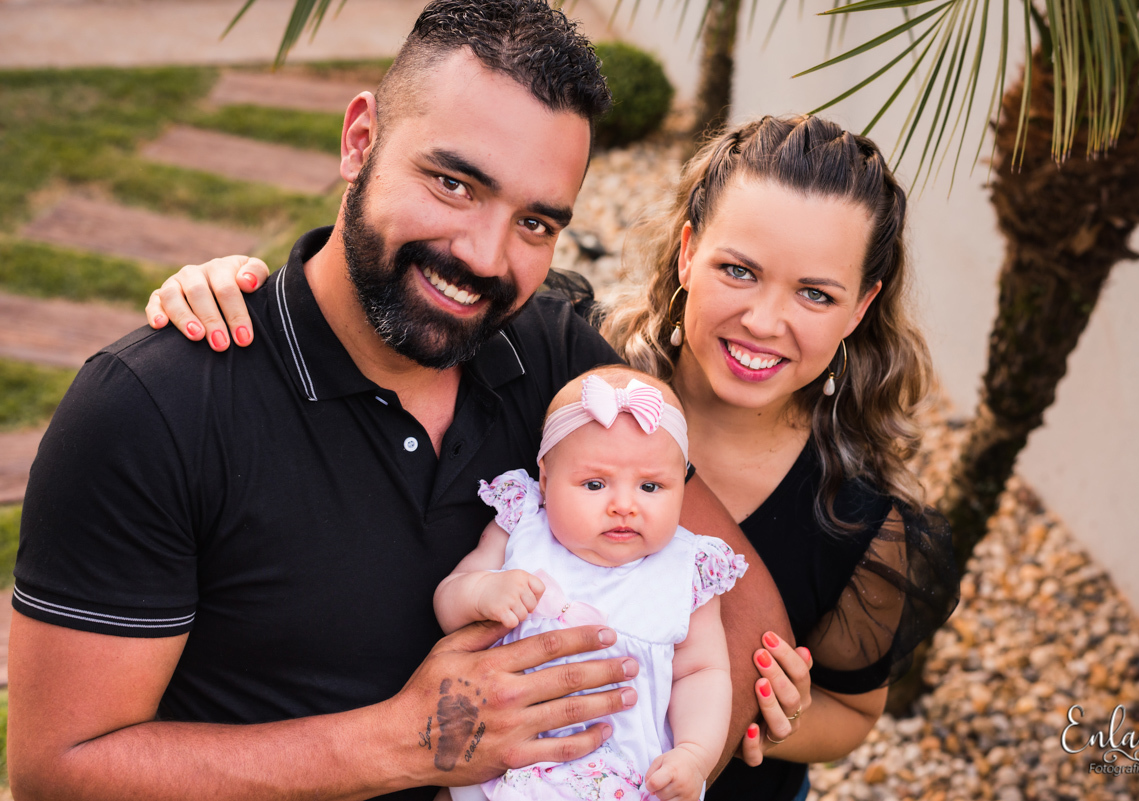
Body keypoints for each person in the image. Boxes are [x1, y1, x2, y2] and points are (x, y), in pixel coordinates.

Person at [6, 3, 794, 800]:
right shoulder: (152, 410)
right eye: (454, 183)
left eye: (534, 222)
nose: (485, 257)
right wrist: (407, 744)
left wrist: (662, 773)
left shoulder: (559, 366)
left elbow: (747, 622)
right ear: (360, 141)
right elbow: (56, 767)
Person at [154, 113, 960, 801]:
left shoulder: (860, 522)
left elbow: (854, 714)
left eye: (815, 293)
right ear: (687, 253)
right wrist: (230, 290)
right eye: (738, 270)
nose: (764, 319)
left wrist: (770, 718)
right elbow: (380, 306)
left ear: (861, 306)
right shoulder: (562, 370)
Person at [435, 367, 746, 801]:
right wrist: (481, 591)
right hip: (501, 760)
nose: (624, 506)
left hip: (620, 776)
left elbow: (703, 673)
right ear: (546, 480)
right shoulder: (523, 528)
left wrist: (695, 753)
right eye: (595, 484)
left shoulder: (686, 571)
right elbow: (448, 599)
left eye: (651, 486)